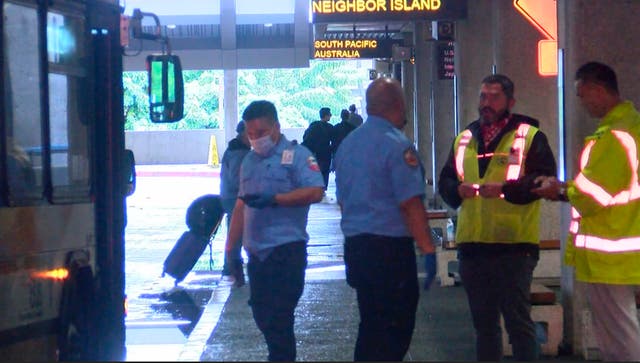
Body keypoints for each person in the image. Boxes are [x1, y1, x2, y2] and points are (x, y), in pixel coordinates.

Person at [438, 74, 557, 361]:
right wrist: (457, 189)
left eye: (494, 97)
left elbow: (544, 182)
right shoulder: (465, 138)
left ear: (510, 102)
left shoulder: (529, 137)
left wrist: (506, 189)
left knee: (518, 324)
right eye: (482, 96)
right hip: (473, 246)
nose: (486, 103)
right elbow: (445, 181)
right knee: (484, 326)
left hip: (514, 247)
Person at [532, 62, 640, 361]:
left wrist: (559, 190)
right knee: (621, 326)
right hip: (624, 242)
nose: (581, 101)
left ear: (598, 89)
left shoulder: (616, 137)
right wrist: (566, 187)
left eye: (582, 94)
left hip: (611, 249)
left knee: (618, 332)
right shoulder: (631, 128)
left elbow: (595, 195)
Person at [334, 77, 435, 361]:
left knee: (370, 324)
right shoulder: (397, 145)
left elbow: (342, 200)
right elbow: (410, 204)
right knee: (396, 328)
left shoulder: (347, 146)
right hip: (389, 251)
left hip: (356, 248)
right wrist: (428, 249)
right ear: (399, 105)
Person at [224, 100, 325, 361]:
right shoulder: (248, 161)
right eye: (251, 134)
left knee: (279, 318)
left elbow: (316, 191)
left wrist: (276, 199)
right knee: (261, 313)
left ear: (276, 127)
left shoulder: (300, 156)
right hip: (257, 255)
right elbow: (240, 206)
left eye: (261, 133)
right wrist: (231, 251)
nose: (256, 139)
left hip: (286, 252)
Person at [219, 120, 251, 287]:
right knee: (238, 235)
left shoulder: (235, 149)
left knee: (236, 234)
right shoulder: (239, 152)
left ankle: (231, 267)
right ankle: (232, 268)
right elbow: (239, 179)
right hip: (237, 200)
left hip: (231, 198)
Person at [302, 107, 334, 194]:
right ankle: (322, 189)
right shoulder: (330, 127)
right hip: (325, 153)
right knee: (324, 172)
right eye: (330, 114)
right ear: (326, 116)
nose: (331, 116)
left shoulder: (313, 125)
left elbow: (306, 137)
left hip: (314, 153)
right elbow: (334, 140)